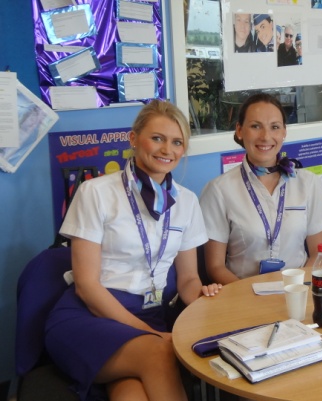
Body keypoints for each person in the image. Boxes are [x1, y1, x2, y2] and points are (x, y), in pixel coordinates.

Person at [44, 100, 222, 401]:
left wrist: (203, 299)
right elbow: (87, 287)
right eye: (157, 138)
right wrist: (150, 335)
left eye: (177, 142)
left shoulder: (187, 202)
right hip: (91, 316)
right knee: (161, 352)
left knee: (131, 395)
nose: (167, 149)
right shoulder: (96, 193)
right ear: (133, 139)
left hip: (150, 315)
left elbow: (188, 279)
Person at [200, 93, 322, 283]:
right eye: (255, 126)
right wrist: (249, 297)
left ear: (284, 132)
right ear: (240, 131)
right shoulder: (219, 190)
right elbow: (215, 268)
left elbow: (318, 253)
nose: (266, 137)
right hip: (242, 296)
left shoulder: (308, 183)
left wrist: (296, 289)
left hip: (298, 290)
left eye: (274, 127)